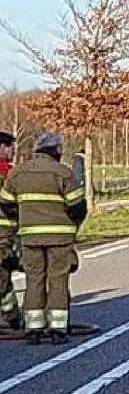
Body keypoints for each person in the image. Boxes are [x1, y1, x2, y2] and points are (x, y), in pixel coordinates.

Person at [0, 133, 86, 345]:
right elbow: (78, 208)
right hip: (60, 239)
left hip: (30, 238)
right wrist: (71, 225)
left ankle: (34, 329)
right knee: (57, 280)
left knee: (34, 280)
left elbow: (6, 204)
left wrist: (23, 219)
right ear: (57, 151)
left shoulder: (18, 173)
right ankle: (57, 329)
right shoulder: (63, 173)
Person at [0, 131, 20, 330]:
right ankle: (12, 315)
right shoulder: (7, 172)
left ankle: (12, 314)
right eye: (10, 147)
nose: (13, 151)